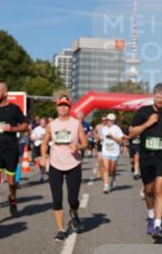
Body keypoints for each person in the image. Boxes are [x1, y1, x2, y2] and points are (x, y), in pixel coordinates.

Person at [128, 84, 162, 240]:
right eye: (157, 97)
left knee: (159, 189)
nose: (160, 100)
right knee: (149, 191)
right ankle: (151, 216)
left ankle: (157, 225)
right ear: (153, 97)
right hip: (146, 157)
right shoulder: (143, 112)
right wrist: (148, 123)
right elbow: (131, 133)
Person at [41, 96, 87, 241]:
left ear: (69, 108)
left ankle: (74, 212)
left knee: (73, 199)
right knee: (57, 198)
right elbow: (44, 142)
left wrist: (78, 146)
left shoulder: (76, 124)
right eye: (60, 105)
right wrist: (43, 156)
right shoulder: (51, 125)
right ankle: (61, 230)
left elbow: (85, 143)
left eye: (66, 105)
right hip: (55, 164)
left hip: (73, 164)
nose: (63, 108)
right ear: (57, 107)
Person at [0, 82, 28, 224]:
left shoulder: (14, 109)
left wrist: (12, 129)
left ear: (5, 93)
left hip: (10, 149)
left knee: (11, 182)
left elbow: (25, 126)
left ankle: (12, 199)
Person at [98, 112, 125, 194]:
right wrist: (99, 138)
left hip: (115, 152)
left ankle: (113, 178)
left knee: (112, 169)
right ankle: (106, 186)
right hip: (106, 151)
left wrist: (113, 137)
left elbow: (121, 140)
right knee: (106, 168)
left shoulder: (116, 128)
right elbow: (102, 138)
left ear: (114, 121)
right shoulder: (103, 128)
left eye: (112, 120)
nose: (110, 122)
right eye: (109, 120)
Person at [30, 116, 48, 183]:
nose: (42, 123)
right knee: (40, 162)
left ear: (46, 123)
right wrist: (39, 138)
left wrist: (46, 138)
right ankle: (42, 174)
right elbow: (32, 138)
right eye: (41, 122)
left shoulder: (48, 128)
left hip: (47, 145)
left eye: (43, 122)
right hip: (38, 146)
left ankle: (45, 173)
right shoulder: (36, 129)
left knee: (46, 159)